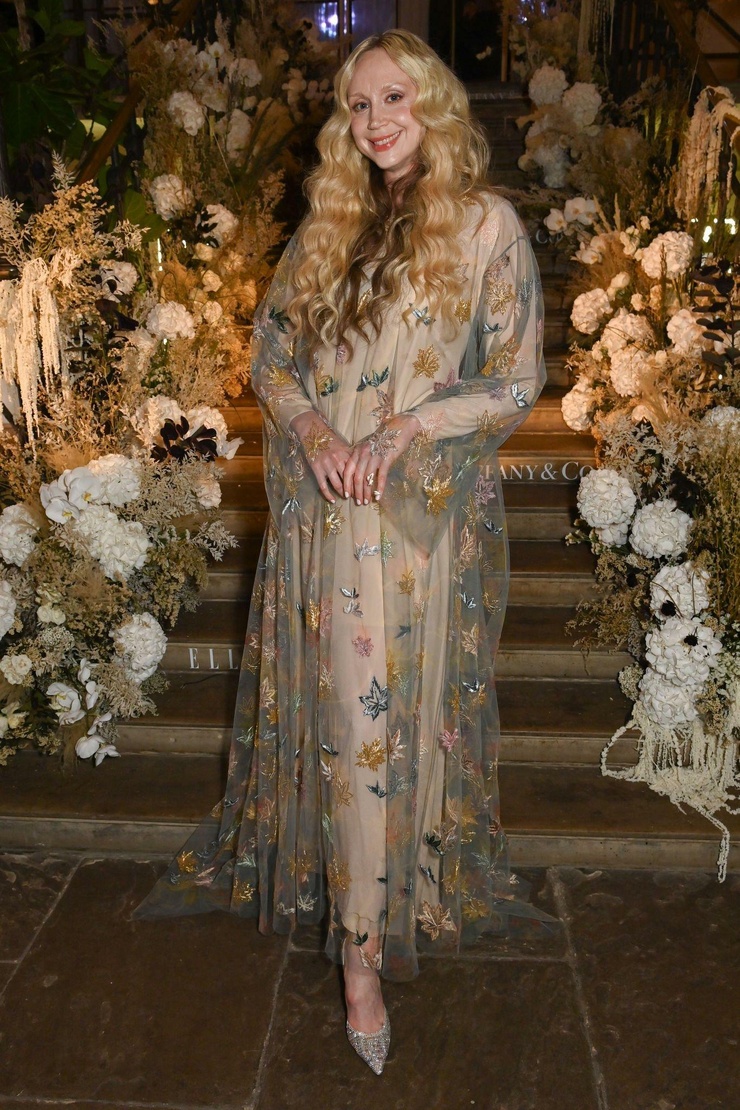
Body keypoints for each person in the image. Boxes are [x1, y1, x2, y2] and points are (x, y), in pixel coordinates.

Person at [134, 29, 549, 1076]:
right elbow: (272, 356)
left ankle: (401, 897)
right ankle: (361, 956)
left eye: (393, 98)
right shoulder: (330, 225)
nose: (374, 121)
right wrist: (316, 433)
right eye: (358, 104)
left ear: (434, 103)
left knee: (403, 723)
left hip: (416, 520)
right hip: (328, 516)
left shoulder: (486, 226)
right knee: (351, 727)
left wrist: (408, 427)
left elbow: (514, 378)